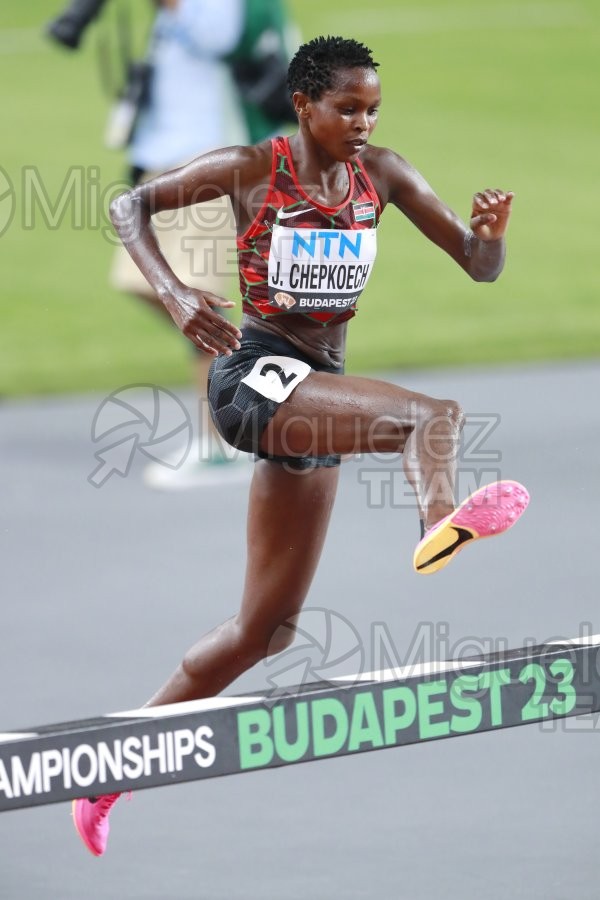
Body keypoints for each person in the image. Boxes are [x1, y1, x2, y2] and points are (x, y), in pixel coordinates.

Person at [72, 35, 530, 855]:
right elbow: (127, 207)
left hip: (312, 399)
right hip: (254, 382)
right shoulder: (252, 167)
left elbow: (476, 264)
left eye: (372, 108)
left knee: (264, 631)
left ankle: (111, 766)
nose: (362, 122)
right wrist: (175, 295)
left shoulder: (382, 175)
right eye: (347, 108)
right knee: (433, 417)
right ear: (304, 106)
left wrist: (491, 235)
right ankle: (440, 521)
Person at [108, 0, 298, 486]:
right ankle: (253, 395)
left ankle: (222, 438)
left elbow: (220, 35)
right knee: (143, 283)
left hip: (212, 156)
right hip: (167, 157)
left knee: (193, 293)